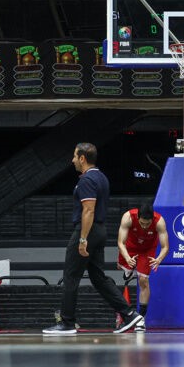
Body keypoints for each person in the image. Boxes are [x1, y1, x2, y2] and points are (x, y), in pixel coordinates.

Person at [44, 143, 142, 335]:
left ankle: (67, 323)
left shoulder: (87, 180)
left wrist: (82, 240)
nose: (72, 160)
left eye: (74, 156)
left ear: (82, 158)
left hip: (88, 231)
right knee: (98, 278)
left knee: (71, 276)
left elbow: (88, 210)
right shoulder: (102, 177)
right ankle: (130, 315)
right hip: (99, 231)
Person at [116, 201, 168, 332]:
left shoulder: (159, 221)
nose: (145, 226)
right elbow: (120, 243)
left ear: (152, 219)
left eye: (147, 223)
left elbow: (165, 246)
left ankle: (141, 319)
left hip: (147, 250)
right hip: (130, 248)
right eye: (142, 223)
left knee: (143, 280)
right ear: (138, 217)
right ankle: (128, 269)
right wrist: (127, 257)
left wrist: (158, 259)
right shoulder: (128, 217)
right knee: (121, 267)